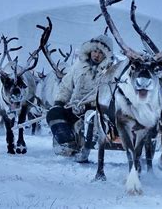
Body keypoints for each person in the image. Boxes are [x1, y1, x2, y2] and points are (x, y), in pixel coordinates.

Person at [46, 34, 114, 162]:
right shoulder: (78, 66)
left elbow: (110, 94)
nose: (96, 55)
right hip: (75, 106)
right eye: (95, 51)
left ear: (106, 55)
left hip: (97, 110)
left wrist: (92, 104)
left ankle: (85, 146)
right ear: (90, 50)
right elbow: (66, 86)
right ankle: (68, 143)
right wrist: (59, 103)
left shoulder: (110, 72)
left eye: (100, 52)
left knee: (90, 120)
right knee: (53, 114)